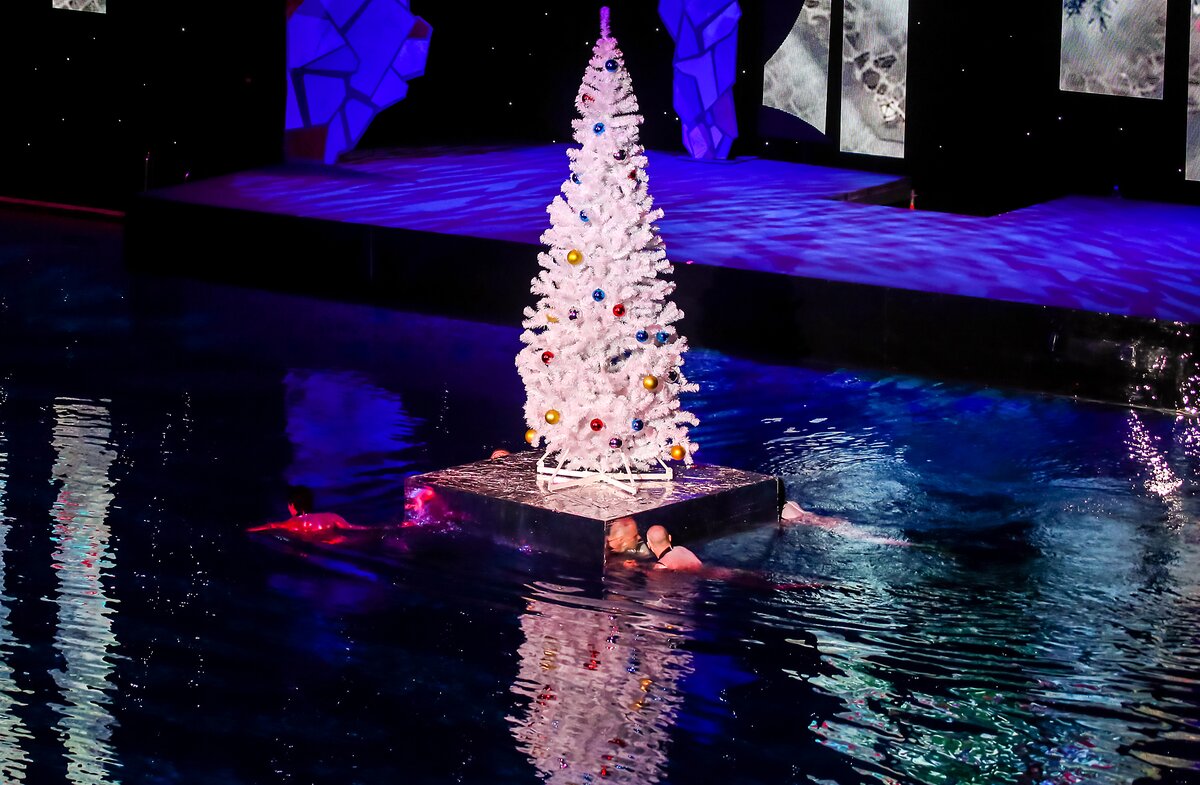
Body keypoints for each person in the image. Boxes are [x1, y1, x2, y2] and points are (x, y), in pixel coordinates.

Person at [247, 486, 369, 536]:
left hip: (319, 545)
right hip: (337, 541)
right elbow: (351, 527)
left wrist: (246, 530)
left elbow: (271, 525)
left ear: (292, 505)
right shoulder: (331, 516)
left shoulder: (291, 523)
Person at [780, 500, 908, 546]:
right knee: (868, 534)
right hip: (832, 520)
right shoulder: (791, 503)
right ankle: (907, 542)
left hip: (826, 526)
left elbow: (785, 529)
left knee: (870, 539)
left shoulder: (782, 516)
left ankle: (910, 544)